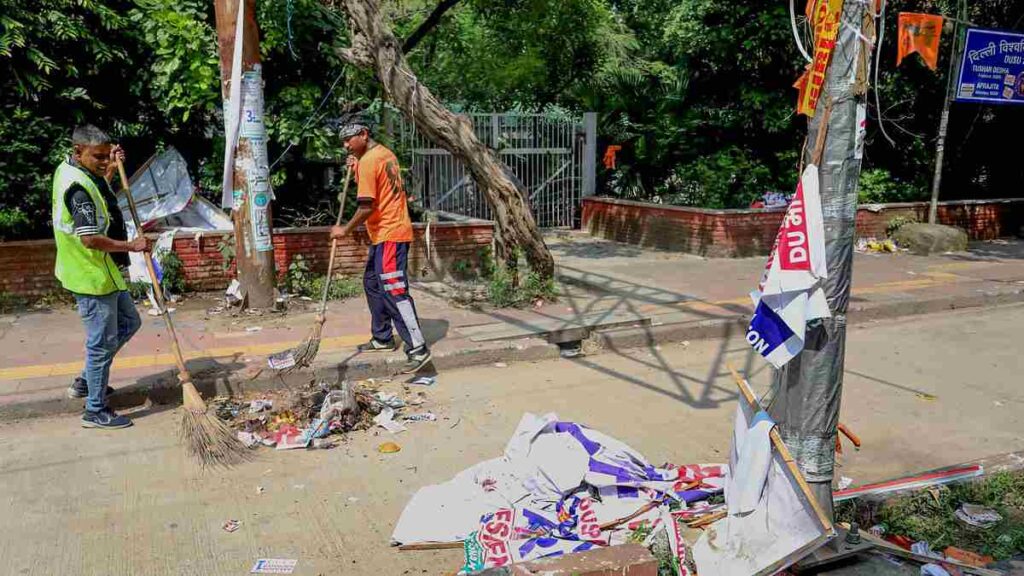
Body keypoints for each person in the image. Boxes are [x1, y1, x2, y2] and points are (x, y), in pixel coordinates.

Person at [52, 124, 150, 429]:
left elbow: (101, 195)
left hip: (102, 271)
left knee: (129, 323)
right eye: (99, 157)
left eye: (108, 155)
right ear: (78, 151)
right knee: (102, 342)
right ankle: (94, 409)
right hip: (90, 274)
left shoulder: (75, 171)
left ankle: (87, 380)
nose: (105, 161)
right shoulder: (77, 188)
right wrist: (132, 246)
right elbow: (90, 238)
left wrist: (113, 167)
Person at [331, 120, 432, 374]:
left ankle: (418, 348)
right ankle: (383, 337)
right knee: (373, 283)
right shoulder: (384, 154)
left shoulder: (368, 161)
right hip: (387, 234)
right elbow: (379, 187)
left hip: (390, 234)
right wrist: (355, 168)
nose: (345, 145)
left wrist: (345, 229)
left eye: (348, 139)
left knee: (394, 290)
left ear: (363, 134)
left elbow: (367, 206)